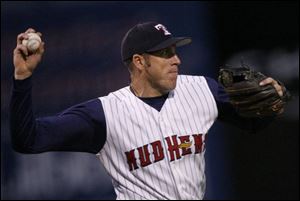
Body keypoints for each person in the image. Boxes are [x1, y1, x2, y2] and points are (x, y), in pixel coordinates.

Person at [10, 22, 286, 200]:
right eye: (165, 53)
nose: (176, 59)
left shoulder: (202, 90)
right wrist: (22, 78)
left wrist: (272, 104)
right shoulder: (104, 114)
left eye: (175, 51)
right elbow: (28, 139)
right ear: (140, 62)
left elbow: (253, 122)